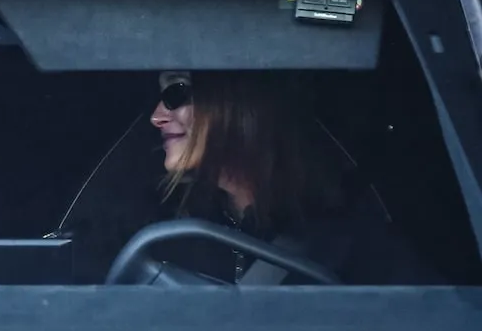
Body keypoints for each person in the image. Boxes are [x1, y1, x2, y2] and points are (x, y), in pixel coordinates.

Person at [58, 70, 437, 285]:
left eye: (176, 92)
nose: (157, 116)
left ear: (241, 102)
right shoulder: (144, 224)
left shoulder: (357, 245)